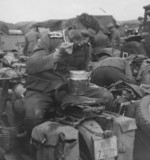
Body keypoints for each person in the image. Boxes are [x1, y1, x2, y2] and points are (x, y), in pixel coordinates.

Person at [14, 13, 113, 134]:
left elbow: (82, 71)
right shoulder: (50, 38)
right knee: (34, 115)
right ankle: (33, 143)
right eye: (84, 35)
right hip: (42, 89)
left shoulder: (86, 47)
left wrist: (83, 82)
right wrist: (57, 55)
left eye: (89, 38)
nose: (86, 40)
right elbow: (31, 66)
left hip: (67, 88)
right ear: (73, 27)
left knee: (106, 97)